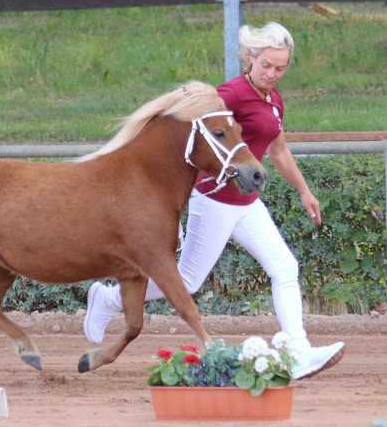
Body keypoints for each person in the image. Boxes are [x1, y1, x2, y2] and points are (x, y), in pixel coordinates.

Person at [83, 21, 345, 380]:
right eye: (265, 65)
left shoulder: (274, 100)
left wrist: (304, 190)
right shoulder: (230, 95)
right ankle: (108, 298)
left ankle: (298, 351)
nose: (272, 73)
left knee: (284, 267)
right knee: (187, 282)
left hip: (246, 203)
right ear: (251, 58)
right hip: (214, 200)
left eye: (280, 68)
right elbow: (193, 129)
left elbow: (278, 151)